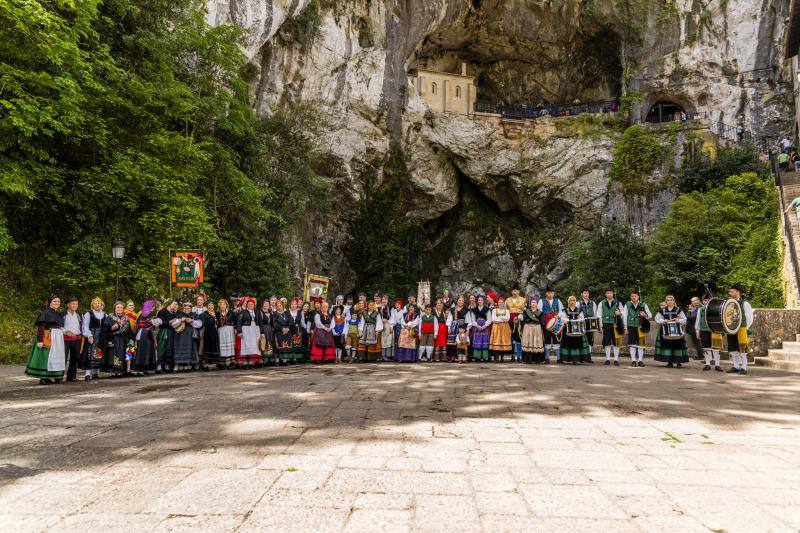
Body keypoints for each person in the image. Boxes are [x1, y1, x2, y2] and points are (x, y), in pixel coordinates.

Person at [25, 295, 66, 385]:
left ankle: (56, 375)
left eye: (58, 301)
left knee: (56, 356)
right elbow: (41, 327)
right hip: (48, 336)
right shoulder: (46, 313)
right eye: (54, 301)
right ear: (50, 302)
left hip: (57, 337)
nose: (57, 303)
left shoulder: (58, 314)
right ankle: (44, 377)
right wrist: (40, 340)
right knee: (46, 357)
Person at [726, 285, 754, 375]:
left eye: (732, 291)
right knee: (733, 347)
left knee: (743, 348)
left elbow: (749, 317)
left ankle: (744, 367)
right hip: (731, 328)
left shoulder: (745, 303)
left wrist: (745, 328)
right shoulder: (729, 303)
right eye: (730, 292)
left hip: (741, 328)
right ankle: (735, 366)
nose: (730, 293)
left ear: (737, 292)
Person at [654, 295, 689, 368]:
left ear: (674, 301)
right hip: (666, 330)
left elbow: (684, 320)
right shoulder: (663, 310)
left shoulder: (678, 310)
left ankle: (679, 362)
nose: (669, 302)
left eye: (671, 300)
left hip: (677, 331)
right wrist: (664, 320)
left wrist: (678, 320)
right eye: (668, 300)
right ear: (666, 302)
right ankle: (669, 362)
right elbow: (657, 318)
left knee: (677, 345)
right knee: (668, 345)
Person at [104, 301, 134, 377]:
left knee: (123, 355)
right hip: (114, 338)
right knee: (114, 355)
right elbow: (104, 329)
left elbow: (129, 330)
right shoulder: (110, 317)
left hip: (124, 339)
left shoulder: (126, 318)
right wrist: (112, 327)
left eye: (121, 307)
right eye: (118, 307)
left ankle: (121, 371)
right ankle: (113, 372)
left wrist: (131, 340)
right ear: (115, 309)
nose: (120, 309)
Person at [80, 296, 107, 381]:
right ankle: (87, 374)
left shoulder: (105, 314)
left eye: (98, 303)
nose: (97, 305)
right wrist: (89, 335)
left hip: (101, 337)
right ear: (92, 305)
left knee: (98, 353)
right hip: (92, 336)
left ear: (101, 304)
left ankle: (95, 373)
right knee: (89, 354)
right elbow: (85, 326)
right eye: (95, 303)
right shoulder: (89, 314)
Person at [170, 301, 201, 372]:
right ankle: (176, 366)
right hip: (180, 336)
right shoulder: (178, 314)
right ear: (183, 308)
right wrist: (181, 320)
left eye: (188, 308)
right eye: (185, 308)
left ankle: (189, 366)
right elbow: (173, 324)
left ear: (191, 308)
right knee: (179, 350)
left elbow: (200, 324)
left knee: (191, 350)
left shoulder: (194, 315)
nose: (187, 309)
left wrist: (192, 321)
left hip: (190, 336)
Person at [623, 292, 652, 367]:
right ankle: (633, 361)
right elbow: (624, 316)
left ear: (638, 297)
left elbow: (650, 315)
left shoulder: (643, 305)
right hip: (631, 326)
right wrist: (625, 328)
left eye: (635, 296)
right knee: (632, 344)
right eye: (632, 296)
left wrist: (645, 314)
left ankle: (640, 361)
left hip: (640, 326)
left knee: (641, 345)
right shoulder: (627, 305)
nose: (633, 297)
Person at [560, 296, 591, 364]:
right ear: (568, 302)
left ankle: (579, 359)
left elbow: (582, 318)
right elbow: (563, 319)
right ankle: (568, 360)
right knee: (568, 343)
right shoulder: (565, 310)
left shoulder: (579, 310)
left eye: (573, 300)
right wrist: (569, 320)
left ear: (575, 301)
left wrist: (577, 321)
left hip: (578, 330)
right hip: (568, 330)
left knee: (578, 343)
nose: (572, 302)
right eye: (571, 300)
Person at [696, 295, 723, 372]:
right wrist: (697, 331)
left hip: (714, 330)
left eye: (708, 300)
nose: (706, 302)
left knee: (716, 348)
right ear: (702, 301)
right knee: (706, 348)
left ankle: (717, 365)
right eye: (704, 300)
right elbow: (697, 321)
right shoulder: (700, 309)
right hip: (704, 330)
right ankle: (707, 364)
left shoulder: (716, 309)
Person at [132, 299, 158, 376]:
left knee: (146, 351)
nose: (154, 307)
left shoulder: (142, 313)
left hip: (144, 333)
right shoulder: (147, 313)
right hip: (145, 334)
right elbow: (141, 323)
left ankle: (144, 369)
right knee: (142, 352)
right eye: (153, 306)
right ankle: (140, 370)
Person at [537, 288, 562, 364]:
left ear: (554, 293)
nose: (550, 294)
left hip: (556, 324)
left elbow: (561, 310)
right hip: (546, 324)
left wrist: (558, 316)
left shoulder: (557, 301)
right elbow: (539, 312)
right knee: (547, 341)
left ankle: (559, 359)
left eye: (551, 292)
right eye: (548, 293)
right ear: (546, 293)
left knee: (556, 341)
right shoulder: (541, 301)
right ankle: (547, 358)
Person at [236, 297, 263, 367]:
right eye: (249, 304)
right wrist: (239, 331)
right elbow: (239, 322)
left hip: (255, 330)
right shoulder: (243, 312)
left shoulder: (257, 312)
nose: (251, 305)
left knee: (255, 344)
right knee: (246, 345)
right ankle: (245, 362)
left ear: (254, 305)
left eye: (252, 304)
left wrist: (262, 333)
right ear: (247, 305)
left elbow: (261, 323)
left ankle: (252, 361)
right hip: (246, 330)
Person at [62, 296, 82, 382]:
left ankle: (71, 376)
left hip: (77, 339)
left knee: (75, 357)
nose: (75, 305)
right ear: (68, 305)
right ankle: (59, 376)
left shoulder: (79, 315)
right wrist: (66, 332)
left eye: (76, 304)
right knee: (63, 357)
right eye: (73, 304)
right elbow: (59, 326)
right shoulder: (63, 315)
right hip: (65, 339)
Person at [599, 288, 622, 366]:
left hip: (615, 324)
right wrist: (600, 325)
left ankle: (616, 359)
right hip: (606, 324)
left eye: (611, 293)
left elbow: (623, 313)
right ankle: (608, 359)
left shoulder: (617, 302)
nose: (609, 294)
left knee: (616, 342)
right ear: (605, 294)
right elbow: (598, 314)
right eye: (608, 293)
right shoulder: (602, 303)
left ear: (613, 294)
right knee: (607, 342)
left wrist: (619, 313)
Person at [154, 299, 178, 374]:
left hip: (171, 332)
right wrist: (169, 322)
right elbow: (159, 323)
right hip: (163, 332)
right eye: (174, 304)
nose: (175, 306)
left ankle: (166, 367)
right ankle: (159, 368)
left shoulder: (174, 313)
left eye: (176, 305)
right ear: (169, 304)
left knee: (169, 349)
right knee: (162, 348)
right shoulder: (162, 312)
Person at [519, 295, 544, 364]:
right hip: (527, 327)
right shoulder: (526, 311)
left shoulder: (540, 312)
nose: (533, 303)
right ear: (530, 303)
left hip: (537, 328)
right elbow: (523, 320)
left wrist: (535, 321)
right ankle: (527, 360)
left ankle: (536, 360)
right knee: (527, 342)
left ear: (537, 303)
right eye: (532, 302)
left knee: (536, 342)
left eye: (535, 302)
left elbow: (542, 321)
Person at [489, 298, 513, 362]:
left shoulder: (507, 311)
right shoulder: (494, 310)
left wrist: (499, 318)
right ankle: (497, 357)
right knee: (497, 341)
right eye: (499, 302)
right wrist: (502, 318)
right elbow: (494, 319)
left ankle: (502, 357)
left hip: (504, 327)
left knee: (503, 341)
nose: (500, 303)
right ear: (497, 303)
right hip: (496, 327)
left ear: (503, 303)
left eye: (502, 302)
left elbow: (507, 319)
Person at [272, 299, 294, 365]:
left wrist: (288, 328)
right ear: (276, 307)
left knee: (286, 347)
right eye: (277, 306)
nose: (279, 307)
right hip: (279, 332)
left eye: (280, 305)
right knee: (279, 346)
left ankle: (285, 360)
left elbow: (291, 321)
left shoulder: (287, 313)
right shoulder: (275, 314)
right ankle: (278, 361)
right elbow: (275, 324)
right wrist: (282, 329)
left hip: (287, 331)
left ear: (283, 306)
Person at [447, 296, 469, 363]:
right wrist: (449, 327)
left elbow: (468, 320)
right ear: (457, 301)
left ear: (463, 302)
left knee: (461, 342)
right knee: (452, 342)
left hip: (462, 327)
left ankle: (460, 357)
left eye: (462, 300)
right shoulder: (453, 309)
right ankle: (451, 357)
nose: (461, 302)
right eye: (459, 300)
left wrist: (467, 329)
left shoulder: (466, 309)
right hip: (453, 327)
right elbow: (450, 318)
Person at [470, 295, 492, 362]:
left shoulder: (487, 309)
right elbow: (472, 320)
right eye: (479, 300)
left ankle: (484, 356)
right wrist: (477, 325)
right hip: (477, 327)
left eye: (481, 300)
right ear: (477, 301)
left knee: (485, 341)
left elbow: (489, 319)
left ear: (483, 301)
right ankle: (477, 356)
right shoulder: (474, 310)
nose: (480, 301)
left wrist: (485, 325)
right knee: (477, 341)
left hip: (485, 327)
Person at [506, 289, 526, 362]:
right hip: (509, 321)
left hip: (519, 321)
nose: (514, 292)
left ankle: (519, 356)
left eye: (516, 291)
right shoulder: (507, 300)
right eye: (513, 291)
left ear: (519, 292)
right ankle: (512, 356)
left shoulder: (523, 300)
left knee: (519, 338)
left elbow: (525, 310)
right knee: (511, 338)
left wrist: (519, 317)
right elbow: (505, 310)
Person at [216, 299, 236, 368]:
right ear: (219, 305)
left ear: (226, 305)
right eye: (221, 304)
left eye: (224, 304)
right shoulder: (217, 313)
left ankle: (231, 362)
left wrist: (235, 328)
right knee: (222, 346)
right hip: (221, 330)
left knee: (229, 345)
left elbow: (235, 320)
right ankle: (222, 363)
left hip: (229, 330)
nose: (222, 306)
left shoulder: (231, 312)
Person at [379, 295, 394, 361]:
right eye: (383, 299)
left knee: (388, 340)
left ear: (387, 300)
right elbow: (377, 316)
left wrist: (391, 326)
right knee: (382, 340)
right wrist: (381, 312)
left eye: (385, 299)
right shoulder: (379, 307)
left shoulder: (390, 308)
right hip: (381, 324)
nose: (384, 300)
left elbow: (392, 317)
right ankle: (382, 355)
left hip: (388, 324)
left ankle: (388, 356)